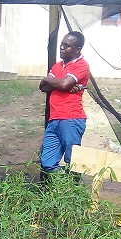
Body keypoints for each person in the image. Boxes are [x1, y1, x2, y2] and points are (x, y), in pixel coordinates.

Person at [39, 31, 91, 176]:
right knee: (47, 163)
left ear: (77, 49)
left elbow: (62, 84)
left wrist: (54, 81)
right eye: (62, 44)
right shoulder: (57, 66)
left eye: (67, 46)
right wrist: (56, 82)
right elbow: (43, 87)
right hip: (54, 119)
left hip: (71, 119)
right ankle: (64, 185)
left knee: (73, 161)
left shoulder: (81, 65)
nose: (62, 48)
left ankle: (73, 193)